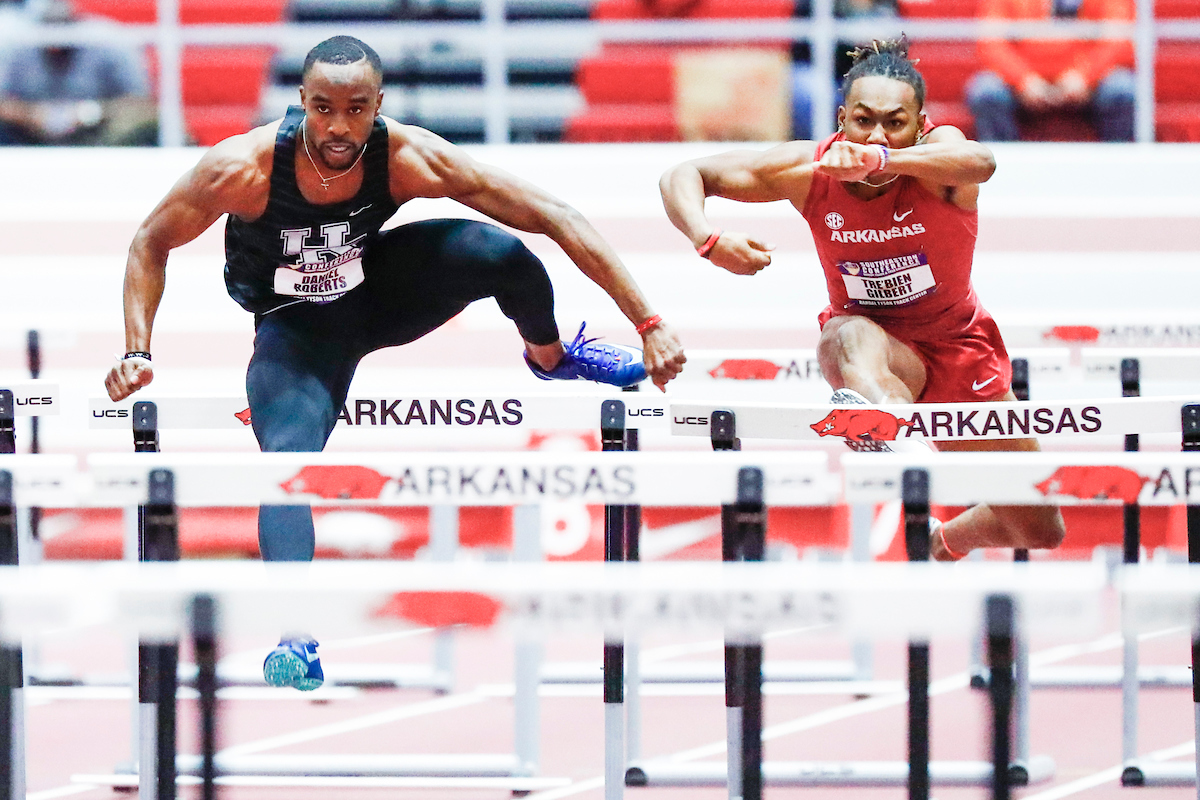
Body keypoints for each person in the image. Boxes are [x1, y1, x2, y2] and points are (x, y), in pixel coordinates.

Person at [104, 35, 686, 689]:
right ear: (301, 103)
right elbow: (150, 242)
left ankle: (550, 356)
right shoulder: (241, 169)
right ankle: (296, 639)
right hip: (294, 328)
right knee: (285, 462)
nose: (338, 127)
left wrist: (650, 322)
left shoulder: (407, 156)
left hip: (376, 292)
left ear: (378, 106)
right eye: (323, 108)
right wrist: (136, 348)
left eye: (356, 109)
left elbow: (555, 215)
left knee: (499, 251)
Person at [660, 37, 1065, 563]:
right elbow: (682, 175)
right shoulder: (809, 171)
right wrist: (707, 240)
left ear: (921, 126)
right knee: (847, 331)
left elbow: (982, 162)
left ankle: (943, 540)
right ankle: (890, 429)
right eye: (863, 121)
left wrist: (882, 159)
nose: (877, 133)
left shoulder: (943, 163)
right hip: (870, 351)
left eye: (894, 122)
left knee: (1041, 528)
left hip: (959, 347)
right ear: (840, 121)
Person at [967, 0, 1135, 142]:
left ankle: (1115, 175)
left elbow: (1118, 39)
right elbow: (991, 43)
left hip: (1088, 84)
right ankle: (1000, 173)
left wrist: (1084, 76)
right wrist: (1023, 80)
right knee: (986, 91)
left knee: (1122, 89)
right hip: (1024, 84)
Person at [0, 0, 158, 146]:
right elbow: (3, 102)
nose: (56, 45)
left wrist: (91, 112)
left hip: (98, 134)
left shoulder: (107, 42)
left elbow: (140, 102)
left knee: (146, 128)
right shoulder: (18, 43)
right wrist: (31, 115)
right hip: (27, 135)